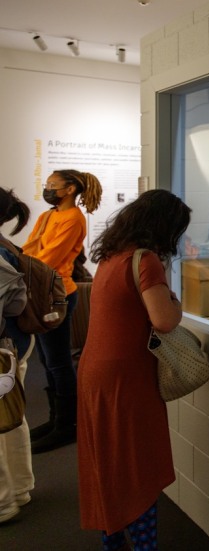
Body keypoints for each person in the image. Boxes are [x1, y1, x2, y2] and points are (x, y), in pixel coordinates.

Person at [76, 189, 191, 549]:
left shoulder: (111, 257)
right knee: (137, 466)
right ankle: (144, 545)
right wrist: (177, 302)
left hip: (95, 372)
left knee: (108, 465)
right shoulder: (146, 260)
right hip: (126, 379)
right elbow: (164, 320)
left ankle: (115, 542)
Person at [22, 169, 101, 453]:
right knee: (47, 359)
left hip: (58, 295)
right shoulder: (47, 216)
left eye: (52, 185)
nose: (48, 189)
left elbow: (49, 259)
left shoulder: (74, 219)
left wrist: (24, 268)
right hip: (41, 293)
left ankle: (68, 425)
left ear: (69, 189)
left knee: (58, 361)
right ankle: (56, 419)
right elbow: (31, 249)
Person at [0, 188, 35, 524]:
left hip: (3, 347)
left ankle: (2, 503)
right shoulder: (8, 247)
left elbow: (11, 304)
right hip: (15, 344)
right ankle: (20, 489)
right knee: (11, 415)